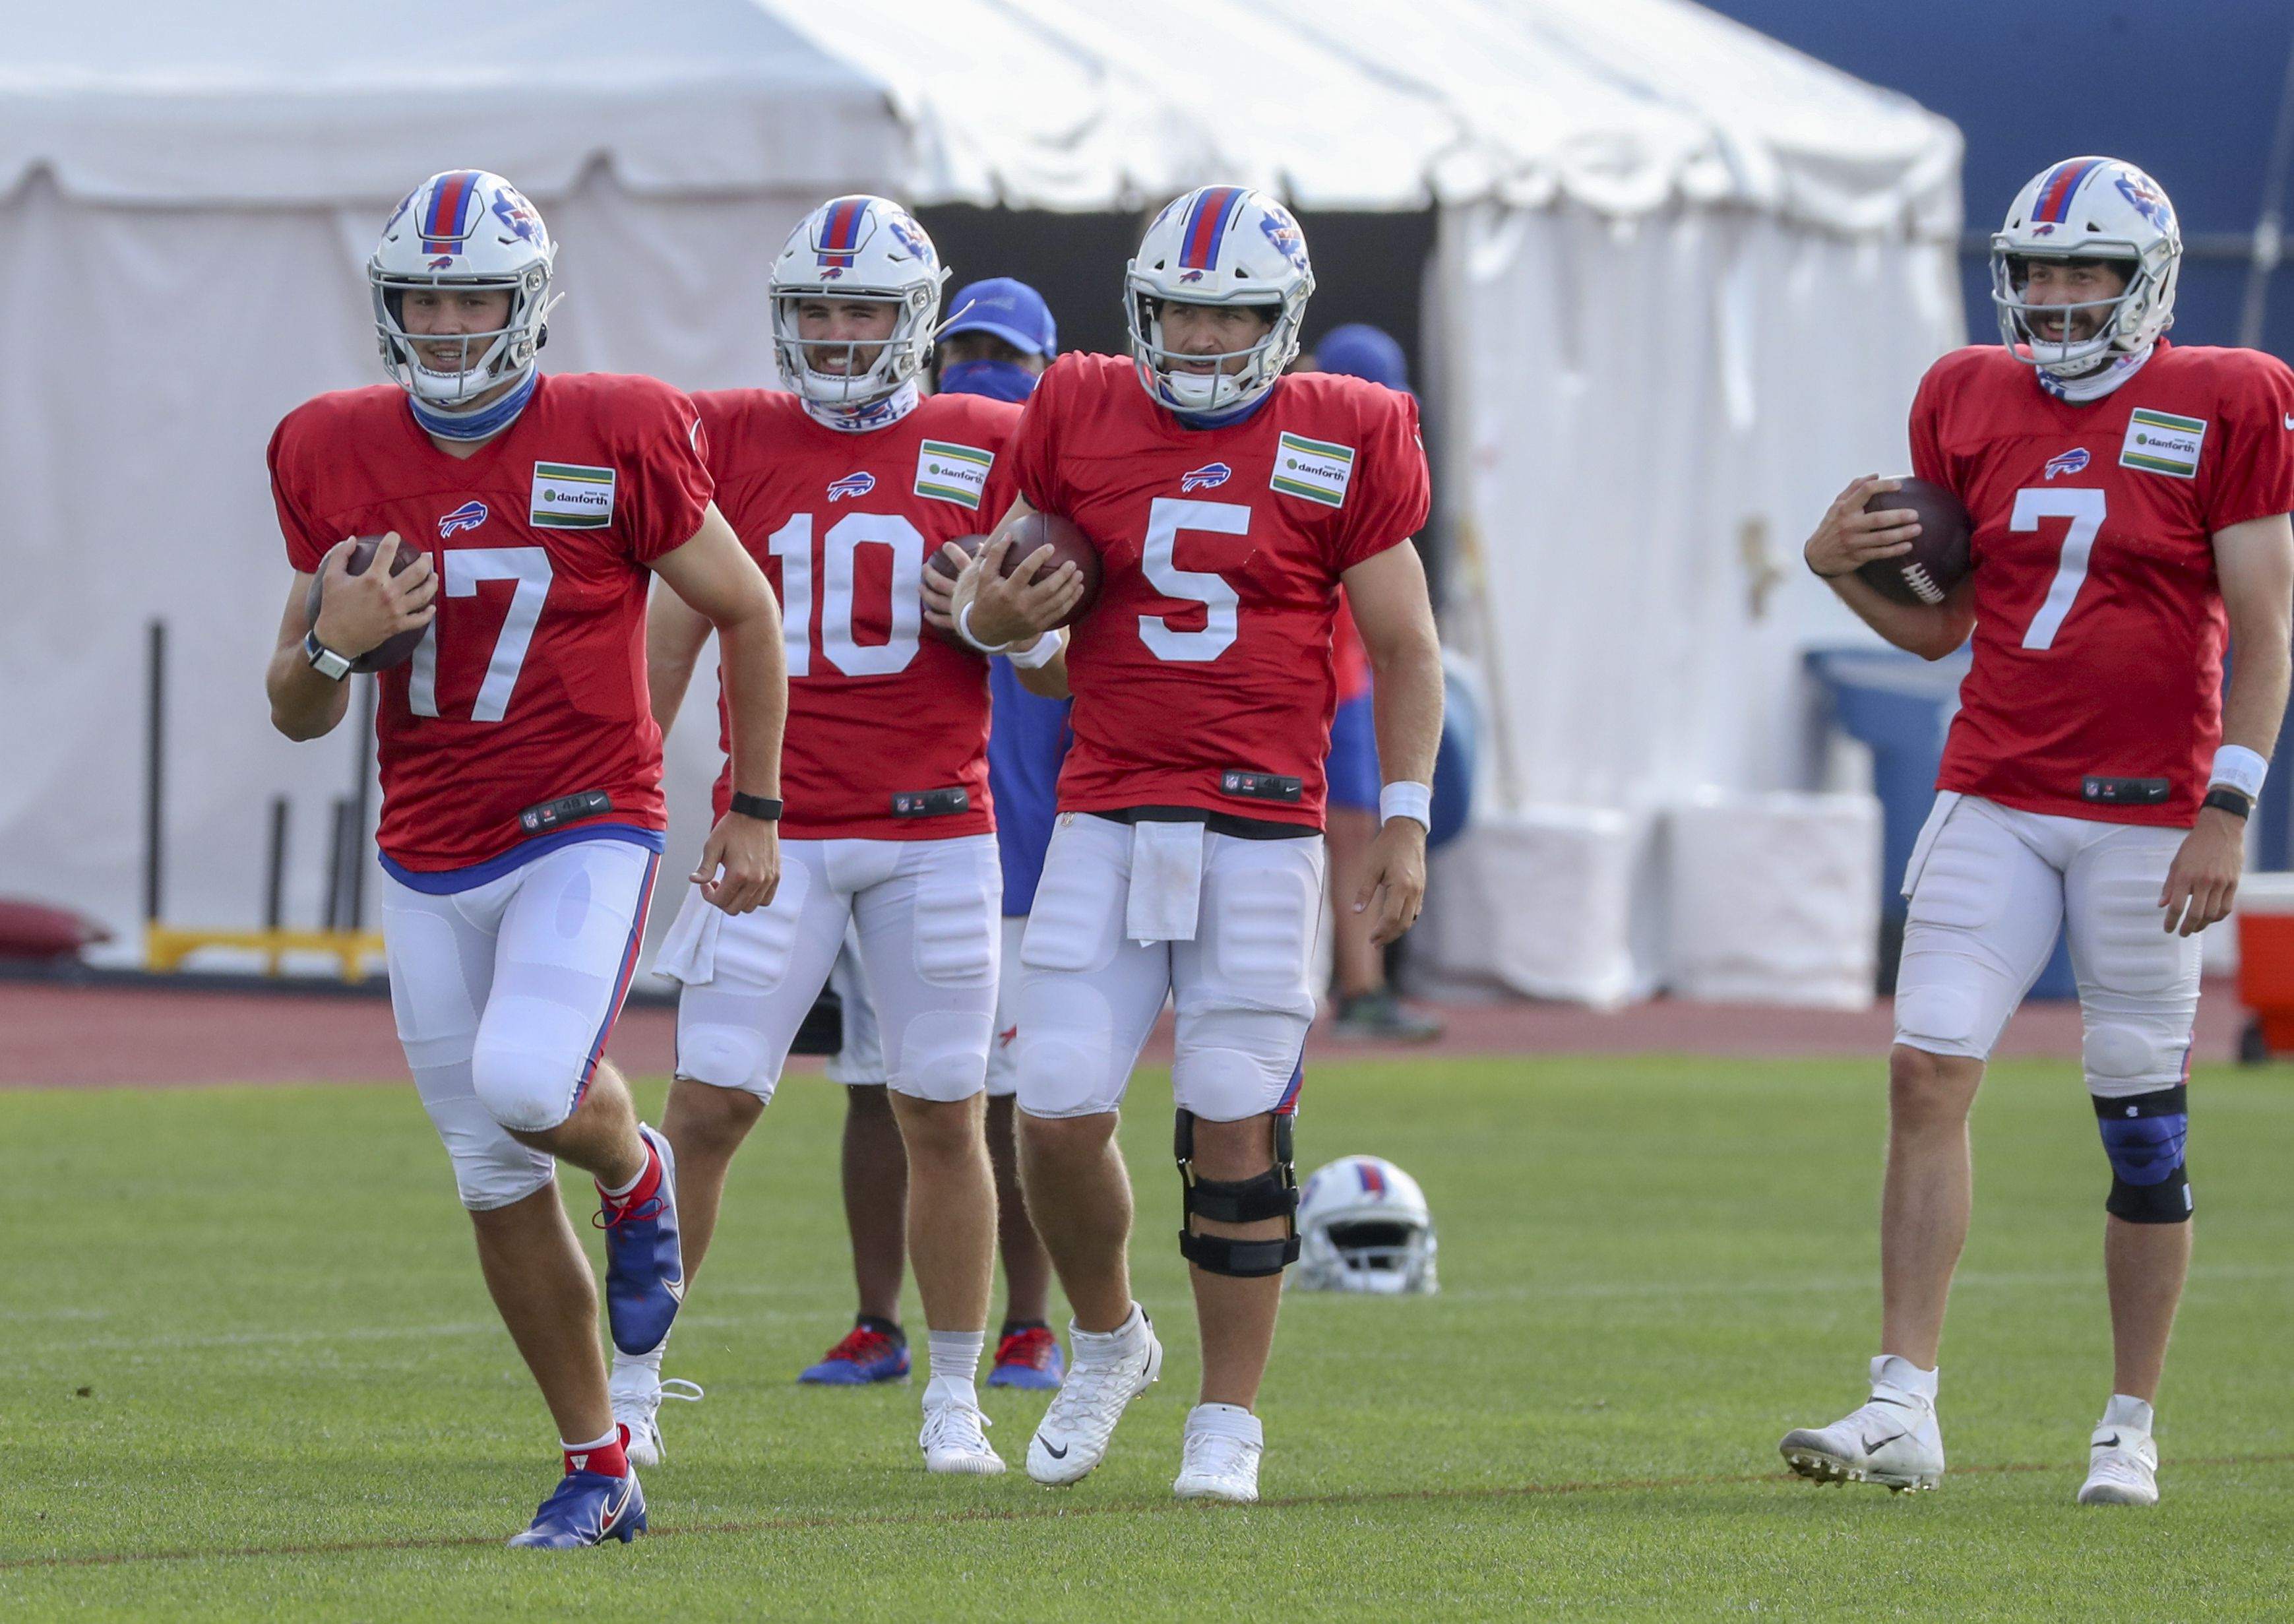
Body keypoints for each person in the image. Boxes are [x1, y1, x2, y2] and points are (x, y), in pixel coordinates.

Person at [264, 170, 785, 1547]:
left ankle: (634, 1171)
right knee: (491, 1171)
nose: (442, 322)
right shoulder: (329, 446)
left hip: (582, 820)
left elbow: (744, 607)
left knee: (521, 1083)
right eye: (420, 296)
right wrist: (337, 638)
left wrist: (756, 801)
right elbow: (293, 701)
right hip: (426, 840)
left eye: (470, 295)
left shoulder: (616, 427)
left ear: (527, 302)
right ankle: (595, 1462)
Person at [1784, 156, 2294, 1507]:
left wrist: (2224, 807)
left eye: (2088, 274)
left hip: (2146, 817)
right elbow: (1943, 627)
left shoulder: (2228, 396)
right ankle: (1902, 1401)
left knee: (2138, 1125)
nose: (2059, 298)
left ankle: (2126, 1421)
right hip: (1997, 789)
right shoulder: (1962, 393)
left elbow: (2265, 627)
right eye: (2042, 271)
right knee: (1923, 1071)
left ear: (2147, 283)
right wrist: (1835, 572)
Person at [953, 185, 1444, 1502]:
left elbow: (1402, 642)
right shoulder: (1075, 405)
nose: (1201, 339)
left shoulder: (1349, 427)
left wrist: (1401, 813)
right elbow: (1028, 643)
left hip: (1264, 825)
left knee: (1233, 1123)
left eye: (1229, 318)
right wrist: (1008, 623)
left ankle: (1228, 1415)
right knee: (1053, 1112)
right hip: (1107, 807)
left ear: (1278, 324)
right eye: (1179, 311)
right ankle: (1110, 1338)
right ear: (1140, 308)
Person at [637, 198, 1074, 1476]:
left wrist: (1009, 625)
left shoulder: (989, 438)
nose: (837, 334)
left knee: (946, 1113)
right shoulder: (723, 434)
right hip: (775, 826)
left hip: (937, 830)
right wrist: (635, 770)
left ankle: (953, 1397)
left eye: (864, 310)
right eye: (818, 309)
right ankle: (631, 1378)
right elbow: (679, 621)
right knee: (706, 1107)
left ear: (915, 319)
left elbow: (1053, 671)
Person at [796, 277, 1071, 1391]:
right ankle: (877, 1317)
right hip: (888, 829)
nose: (983, 378)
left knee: (1000, 1099)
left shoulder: (1052, 516)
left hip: (1019, 848)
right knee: (876, 1083)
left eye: (1007, 361)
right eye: (969, 357)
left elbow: (1071, 684)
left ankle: (1027, 1323)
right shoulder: (905, 492)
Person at [1312, 325, 1442, 1042]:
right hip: (1326, 677)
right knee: (1350, 831)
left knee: (1356, 829)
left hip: (1352, 672)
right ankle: (1357, 987)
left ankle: (1362, 984)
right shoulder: (1319, 458)